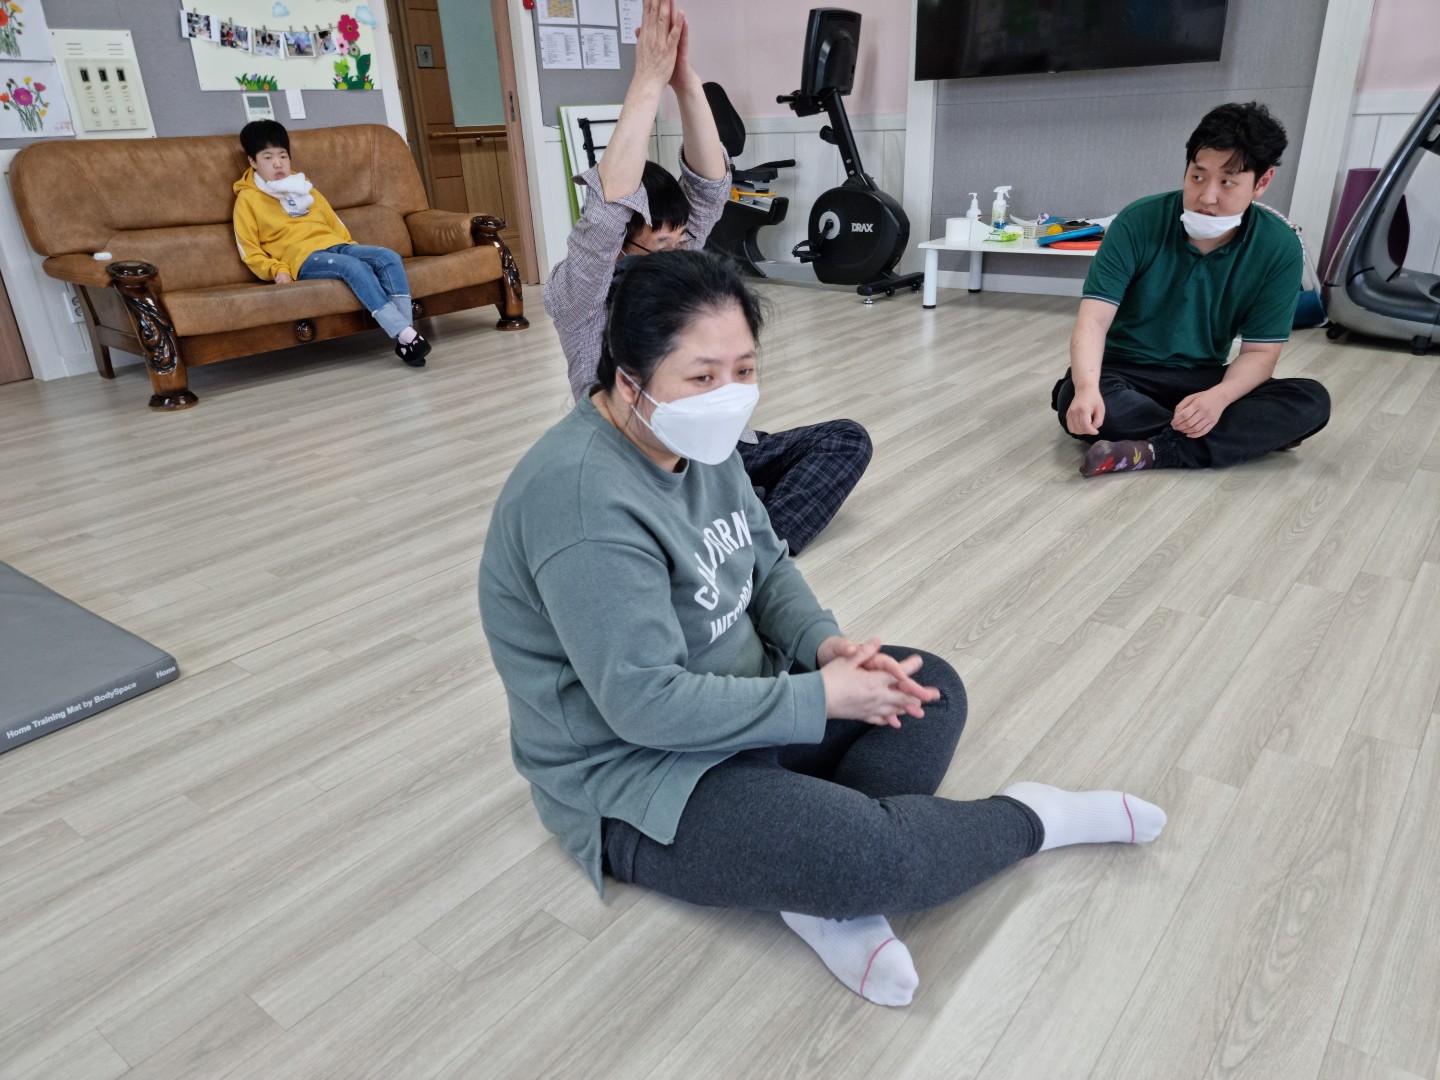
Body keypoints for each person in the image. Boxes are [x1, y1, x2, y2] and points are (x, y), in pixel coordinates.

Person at [482, 249, 1167, 1007]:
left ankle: (819, 884)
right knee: (880, 858)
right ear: (628, 378)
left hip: (744, 704)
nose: (728, 395)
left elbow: (767, 564)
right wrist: (820, 698)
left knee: (928, 687)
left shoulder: (699, 443)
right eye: (702, 376)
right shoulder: (582, 501)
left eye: (744, 369)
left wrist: (822, 645)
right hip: (640, 776)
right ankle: (1034, 816)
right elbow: (643, 705)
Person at [542, 0, 872, 554]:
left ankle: (750, 545)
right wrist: (647, 80)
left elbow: (709, 188)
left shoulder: (676, 271)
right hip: (642, 466)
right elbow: (605, 214)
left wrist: (684, 79)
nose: (678, 252)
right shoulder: (580, 298)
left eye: (681, 241)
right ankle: (728, 527)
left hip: (722, 455)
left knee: (845, 441)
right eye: (660, 245)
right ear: (620, 247)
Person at [1052, 102, 1331, 476]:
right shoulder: (1138, 221)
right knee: (1078, 396)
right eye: (1198, 177)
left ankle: (1153, 451)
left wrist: (1218, 399)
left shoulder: (1278, 247)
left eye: (1227, 182)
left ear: (1262, 182)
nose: (1207, 196)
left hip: (1204, 377)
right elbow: (1093, 322)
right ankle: (1230, 437)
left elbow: (1260, 352)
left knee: (1311, 400)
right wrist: (1087, 389)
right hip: (1124, 372)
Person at [232, 119, 432, 367]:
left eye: (283, 156)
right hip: (302, 259)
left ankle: (406, 338)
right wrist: (277, 270)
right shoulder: (247, 199)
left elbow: (334, 223)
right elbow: (249, 251)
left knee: (388, 257)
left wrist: (351, 247)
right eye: (268, 157)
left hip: (336, 246)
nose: (278, 163)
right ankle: (405, 335)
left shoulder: (304, 187)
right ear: (252, 161)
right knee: (353, 267)